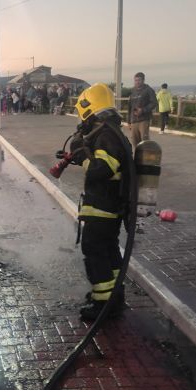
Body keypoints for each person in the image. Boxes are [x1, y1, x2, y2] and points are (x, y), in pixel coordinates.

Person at [69, 83, 132, 320]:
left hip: (103, 207)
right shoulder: (111, 132)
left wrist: (81, 153)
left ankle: (102, 304)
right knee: (109, 251)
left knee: (94, 250)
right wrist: (83, 152)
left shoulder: (107, 135)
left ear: (89, 109)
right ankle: (114, 296)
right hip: (110, 206)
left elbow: (100, 170)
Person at [127, 72, 157, 145]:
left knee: (144, 142)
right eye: (136, 80)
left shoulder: (148, 90)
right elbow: (130, 107)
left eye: (139, 80)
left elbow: (154, 103)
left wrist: (143, 110)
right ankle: (136, 156)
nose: (137, 82)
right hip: (134, 121)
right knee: (134, 142)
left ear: (143, 80)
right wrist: (128, 121)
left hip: (144, 120)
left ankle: (146, 156)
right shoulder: (133, 91)